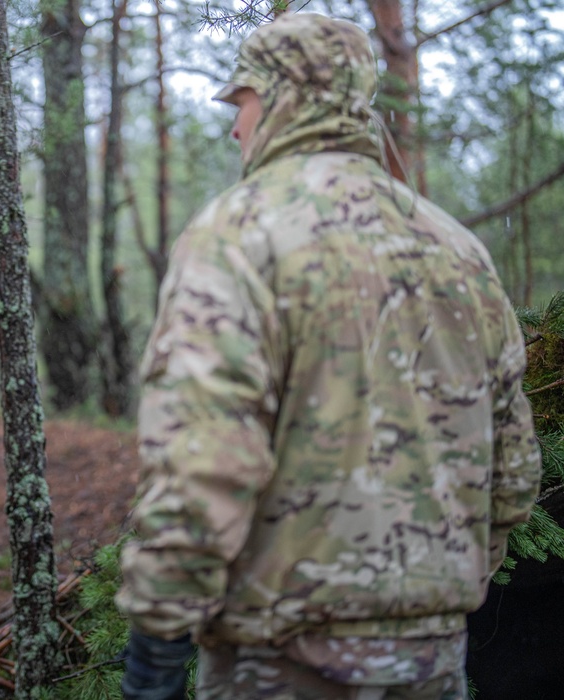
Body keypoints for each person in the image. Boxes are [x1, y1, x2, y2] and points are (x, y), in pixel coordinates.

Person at [115, 12, 541, 700]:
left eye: (243, 101)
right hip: (431, 660)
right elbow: (513, 471)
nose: (235, 126)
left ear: (284, 95)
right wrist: (430, 594)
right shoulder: (458, 250)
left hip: (282, 662)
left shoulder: (239, 233)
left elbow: (202, 463)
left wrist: (155, 653)